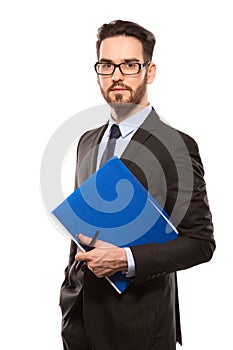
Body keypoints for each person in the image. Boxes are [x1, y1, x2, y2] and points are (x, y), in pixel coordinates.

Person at [60, 20, 215, 350]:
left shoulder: (176, 146)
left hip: (139, 328)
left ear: (150, 71)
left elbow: (201, 242)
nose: (117, 75)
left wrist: (127, 259)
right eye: (106, 65)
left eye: (130, 65)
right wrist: (68, 291)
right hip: (78, 321)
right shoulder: (87, 141)